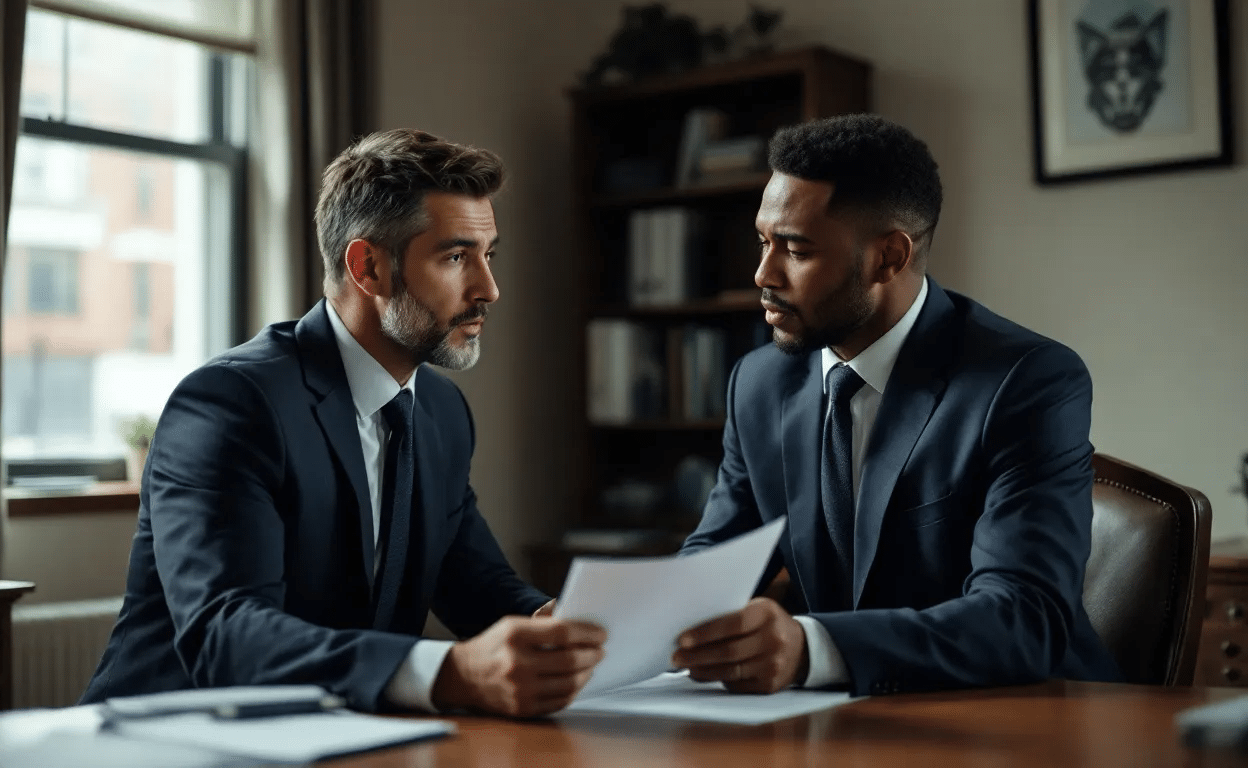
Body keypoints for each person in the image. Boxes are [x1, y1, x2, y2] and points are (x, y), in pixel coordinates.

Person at [80, 129, 605, 717]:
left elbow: (475, 586)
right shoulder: (231, 404)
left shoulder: (441, 411)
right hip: (171, 739)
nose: (489, 288)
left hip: (339, 739)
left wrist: (562, 629)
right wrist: (447, 671)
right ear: (369, 267)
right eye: (457, 257)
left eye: (488, 256)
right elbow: (225, 636)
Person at [671, 114, 1122, 696]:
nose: (764, 273)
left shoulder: (1026, 381)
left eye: (796, 250)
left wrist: (812, 648)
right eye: (764, 241)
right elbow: (717, 561)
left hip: (1024, 722)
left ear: (889, 257)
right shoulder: (760, 382)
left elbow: (1024, 617)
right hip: (838, 725)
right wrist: (612, 627)